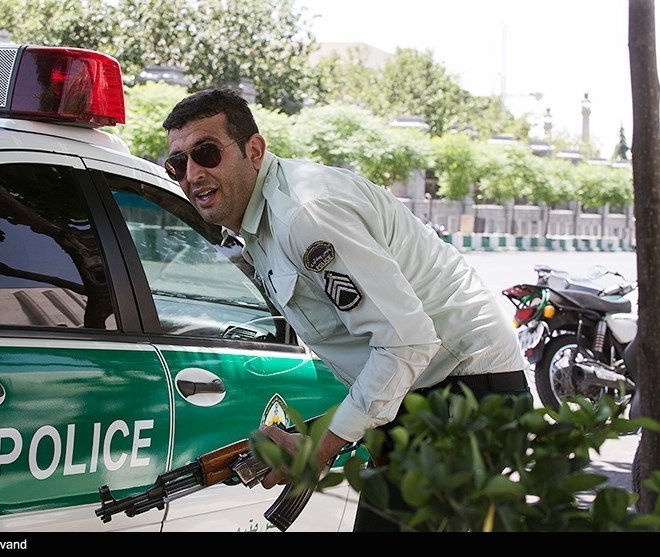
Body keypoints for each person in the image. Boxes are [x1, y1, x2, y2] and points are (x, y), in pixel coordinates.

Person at [162, 88, 530, 531]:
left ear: (254, 151)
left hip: (465, 393)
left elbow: (407, 342)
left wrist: (319, 448)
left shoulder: (305, 214)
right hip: (421, 394)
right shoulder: (261, 224)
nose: (192, 174)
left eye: (206, 153)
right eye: (177, 164)